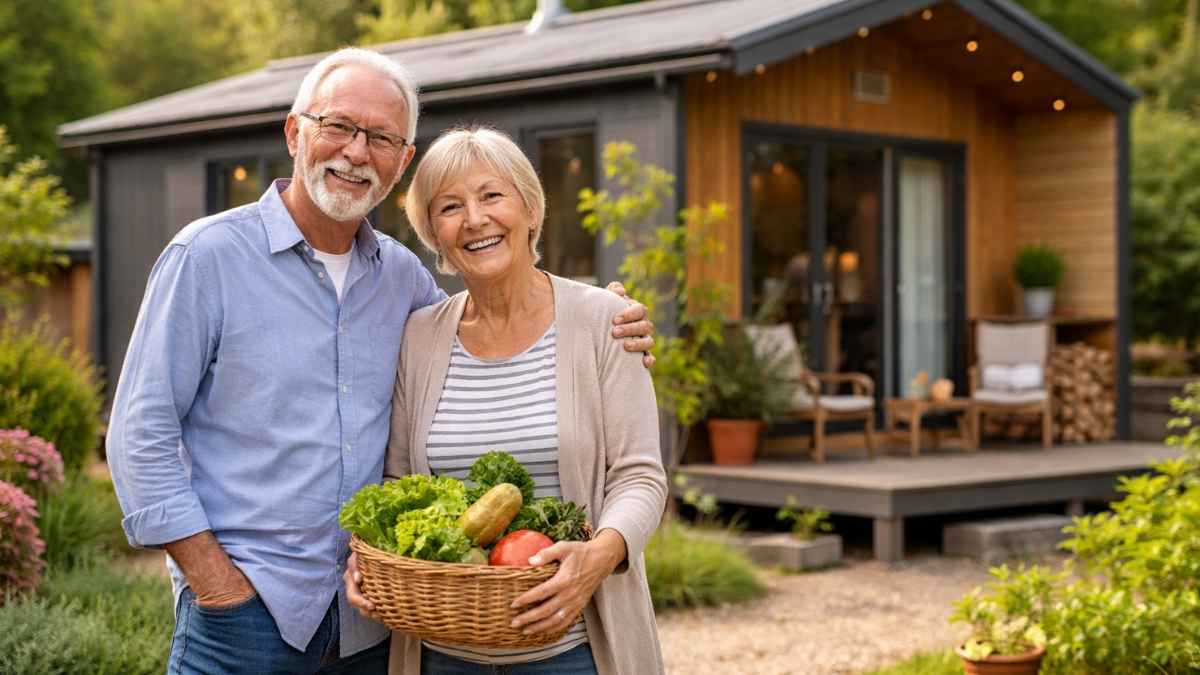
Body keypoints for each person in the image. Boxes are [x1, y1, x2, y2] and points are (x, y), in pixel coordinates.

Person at [106, 48, 654, 675]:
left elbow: (497, 320)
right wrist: (217, 585)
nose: (357, 151)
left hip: (372, 625)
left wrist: (607, 317)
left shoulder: (403, 281)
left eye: (382, 138)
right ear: (295, 132)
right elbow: (138, 435)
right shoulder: (206, 258)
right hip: (246, 619)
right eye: (338, 126)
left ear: (401, 162)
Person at [345, 127, 666, 675]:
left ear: (531, 210)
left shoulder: (605, 322)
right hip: (442, 653)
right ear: (435, 235)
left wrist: (601, 554)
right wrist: (372, 557)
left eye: (492, 195)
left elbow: (640, 476)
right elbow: (400, 482)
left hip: (575, 648)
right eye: (450, 207)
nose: (474, 219)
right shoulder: (419, 337)